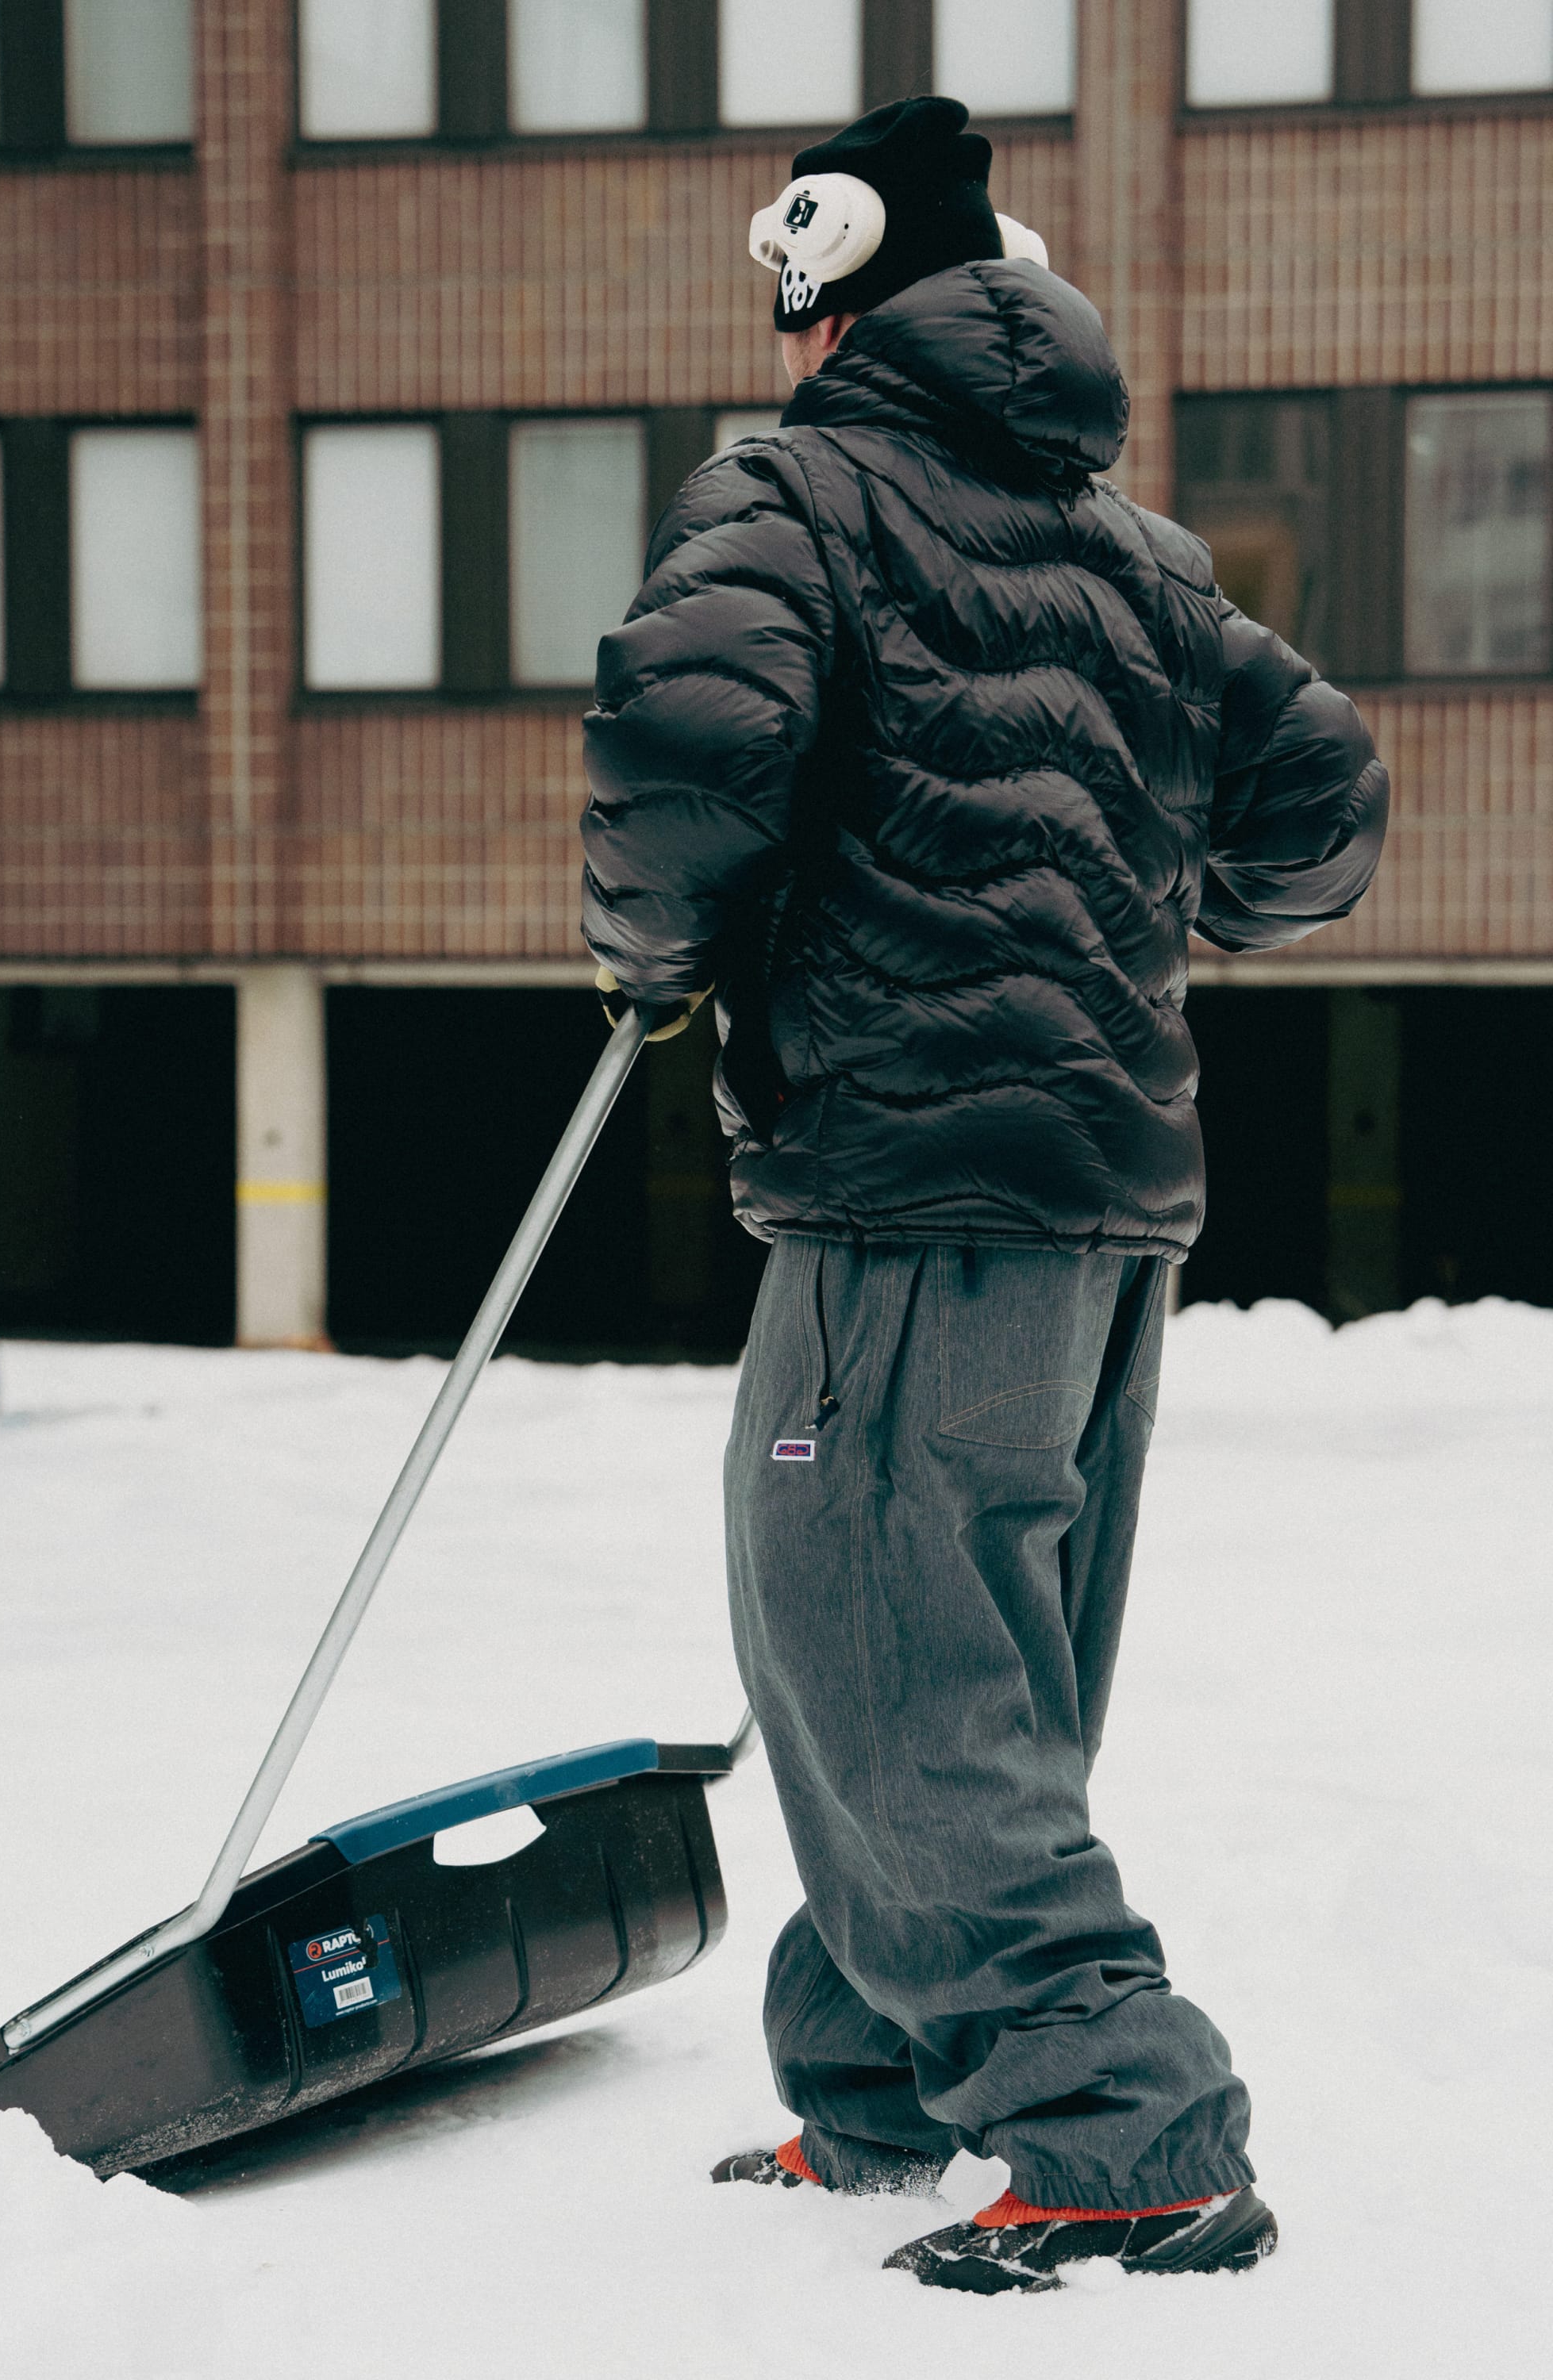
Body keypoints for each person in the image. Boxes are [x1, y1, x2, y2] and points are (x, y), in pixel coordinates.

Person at [581, 95, 1386, 2295]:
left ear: (834, 303)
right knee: (967, 1658)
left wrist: (655, 952)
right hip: (1107, 1204)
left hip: (910, 1184)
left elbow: (680, 734)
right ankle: (885, 2098)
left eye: (797, 310)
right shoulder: (1140, 555)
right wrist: (1139, 856)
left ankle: (1127, 2131)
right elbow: (1321, 811)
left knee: (874, 1642)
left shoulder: (800, 490)